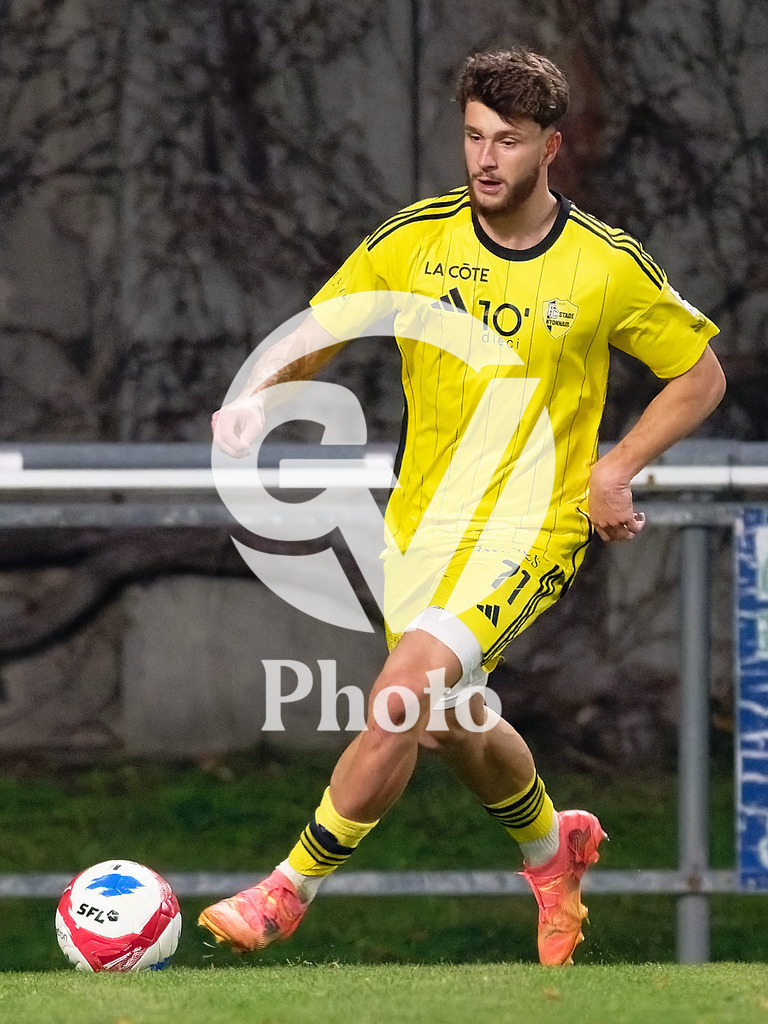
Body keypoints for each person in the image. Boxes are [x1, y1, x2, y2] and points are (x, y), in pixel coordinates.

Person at [199, 48, 726, 966]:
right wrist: (260, 396)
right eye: (475, 136)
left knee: (400, 698)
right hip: (421, 526)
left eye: (509, 142)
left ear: (551, 147)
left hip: (534, 529)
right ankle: (550, 846)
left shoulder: (602, 267)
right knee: (449, 719)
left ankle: (287, 890)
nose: (486, 159)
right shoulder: (416, 238)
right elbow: (324, 327)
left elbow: (700, 374)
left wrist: (618, 466)